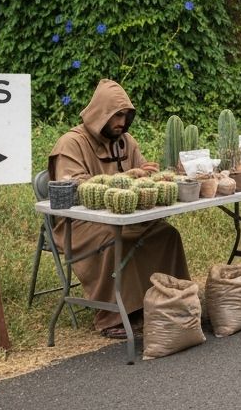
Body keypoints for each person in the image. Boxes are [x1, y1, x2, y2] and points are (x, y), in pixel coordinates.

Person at [49, 78, 189, 338]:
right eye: (116, 115)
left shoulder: (125, 141)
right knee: (114, 240)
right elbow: (74, 188)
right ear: (100, 114)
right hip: (80, 222)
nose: (122, 122)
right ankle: (112, 315)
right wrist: (123, 179)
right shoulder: (71, 143)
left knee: (166, 234)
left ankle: (168, 301)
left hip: (126, 216)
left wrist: (149, 176)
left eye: (125, 116)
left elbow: (139, 173)